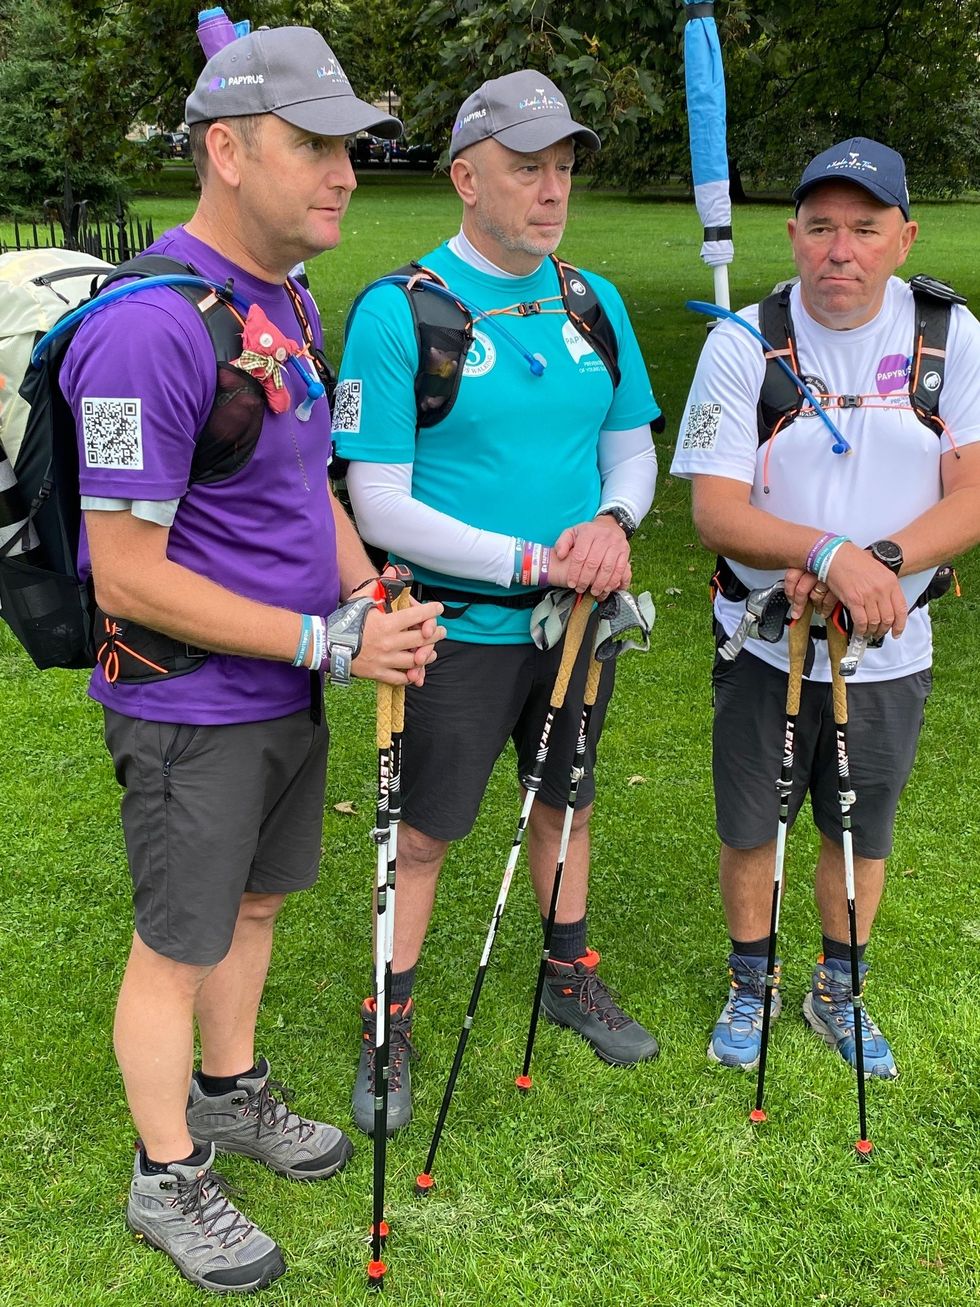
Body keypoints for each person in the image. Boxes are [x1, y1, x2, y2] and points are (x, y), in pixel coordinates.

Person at [60, 27, 444, 1295]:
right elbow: (123, 570)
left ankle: (229, 1094)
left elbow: (302, 483)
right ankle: (165, 1171)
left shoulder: (284, 298)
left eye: (349, 146)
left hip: (289, 681)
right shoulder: (144, 333)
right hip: (192, 704)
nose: (345, 172)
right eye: (315, 146)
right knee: (176, 940)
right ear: (226, 151)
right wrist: (320, 638)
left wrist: (363, 593)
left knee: (259, 903)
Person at [333, 70, 663, 1136]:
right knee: (423, 831)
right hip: (457, 624)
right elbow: (375, 499)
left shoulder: (591, 299)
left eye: (562, 168)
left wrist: (611, 524)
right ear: (465, 176)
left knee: (565, 796)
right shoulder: (399, 312)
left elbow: (629, 448)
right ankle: (390, 1027)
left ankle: (567, 976)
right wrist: (532, 562)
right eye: (527, 168)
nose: (551, 189)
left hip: (574, 621)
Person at [670, 137, 980, 1080]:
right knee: (752, 823)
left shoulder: (949, 337)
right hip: (769, 638)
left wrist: (877, 565)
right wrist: (822, 554)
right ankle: (749, 983)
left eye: (863, 228)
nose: (838, 250)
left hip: (891, 642)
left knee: (859, 828)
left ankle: (838, 989)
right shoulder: (743, 343)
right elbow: (715, 511)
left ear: (903, 236)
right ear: (794, 235)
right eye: (819, 228)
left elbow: (969, 493)